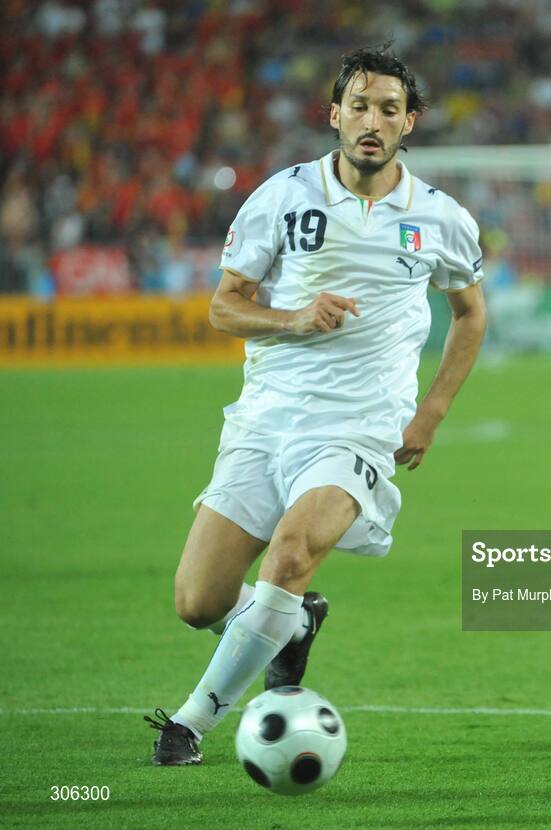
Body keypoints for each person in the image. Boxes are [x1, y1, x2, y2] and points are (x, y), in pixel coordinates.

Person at [146, 46, 487, 765]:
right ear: (334, 114)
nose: (373, 121)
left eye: (389, 109)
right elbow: (224, 308)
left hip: (359, 428)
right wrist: (294, 319)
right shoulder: (282, 195)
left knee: (293, 552)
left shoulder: (440, 218)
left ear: (411, 122)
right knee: (198, 602)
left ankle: (190, 723)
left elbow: (470, 314)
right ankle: (292, 628)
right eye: (359, 106)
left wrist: (431, 413)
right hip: (265, 420)